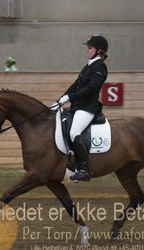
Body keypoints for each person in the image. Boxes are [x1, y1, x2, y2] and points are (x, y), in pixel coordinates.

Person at [51, 35, 109, 182]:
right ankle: (70, 162)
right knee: (62, 124)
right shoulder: (88, 66)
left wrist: (70, 98)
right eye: (88, 48)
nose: (87, 51)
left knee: (74, 131)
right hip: (77, 106)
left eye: (90, 48)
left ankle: (84, 169)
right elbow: (75, 85)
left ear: (99, 51)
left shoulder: (100, 67)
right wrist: (60, 101)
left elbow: (91, 88)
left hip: (88, 108)